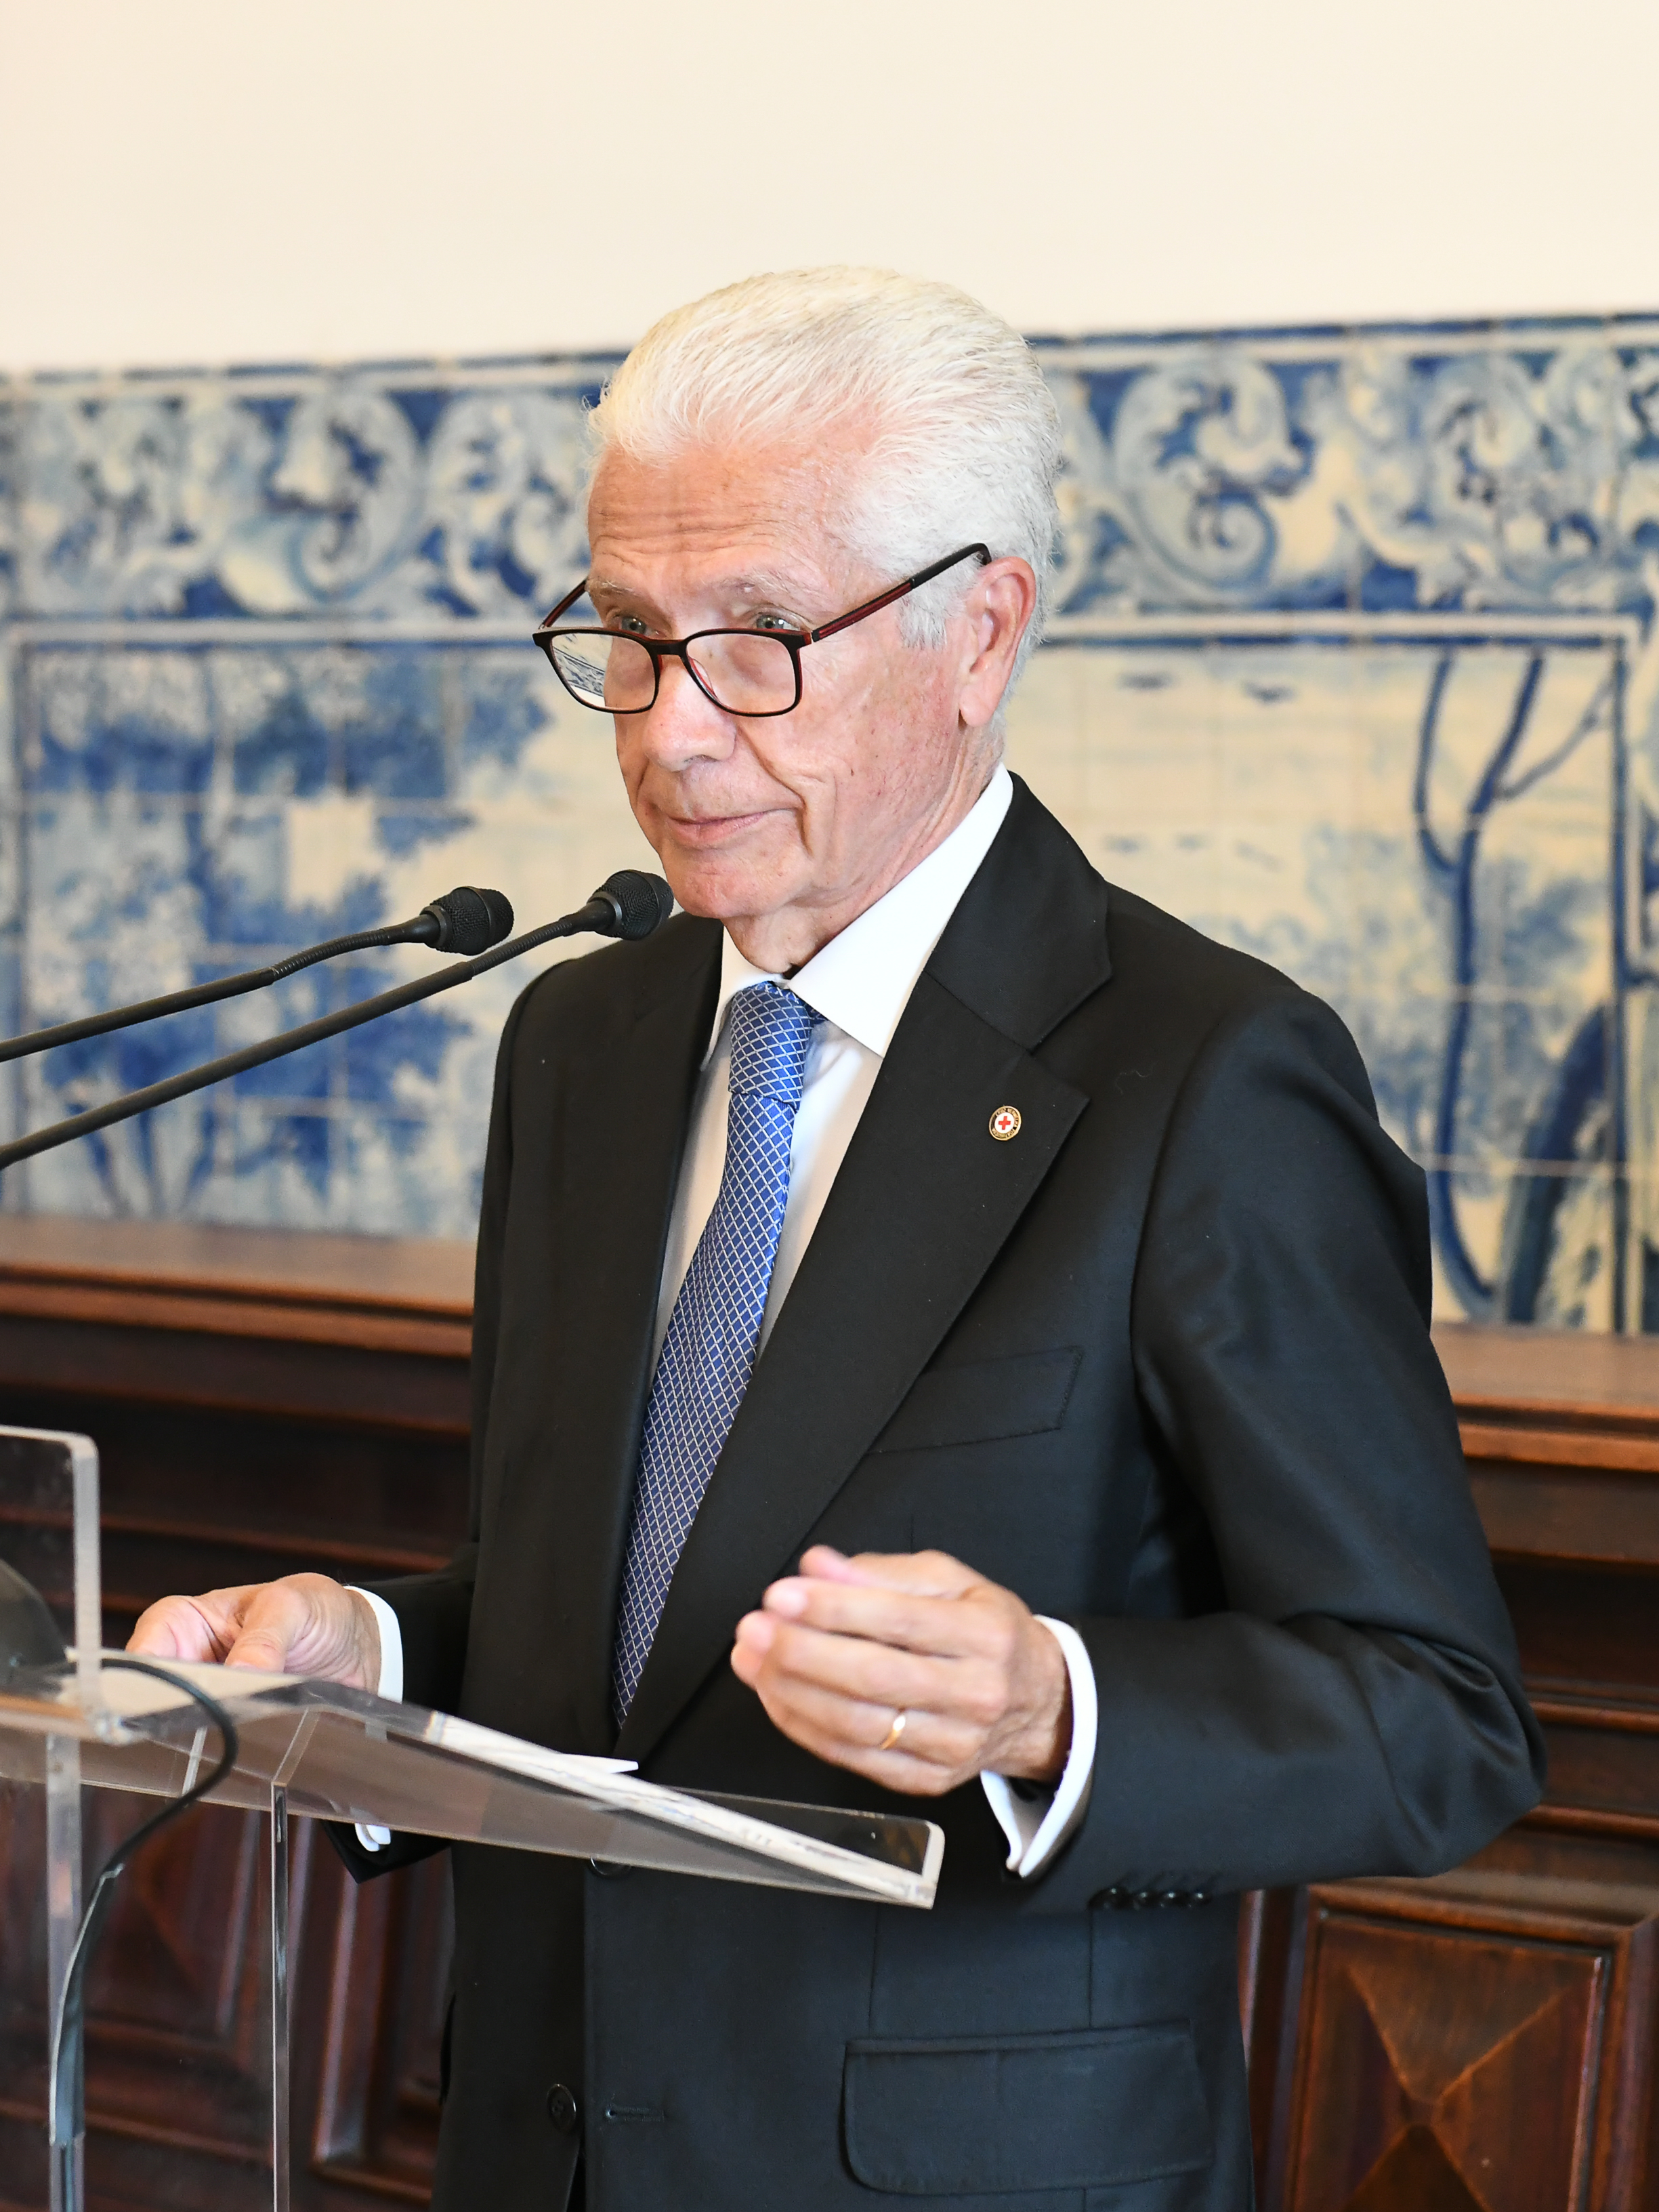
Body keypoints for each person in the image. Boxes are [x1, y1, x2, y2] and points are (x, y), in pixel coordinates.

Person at [131, 268, 1544, 2212]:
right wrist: (359, 1657)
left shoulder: (1206, 1074)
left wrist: (1050, 1707)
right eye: (630, 638)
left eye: (760, 642)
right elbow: (621, 1636)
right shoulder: (583, 1038)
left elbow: (1437, 1719)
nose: (672, 732)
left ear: (983, 631)